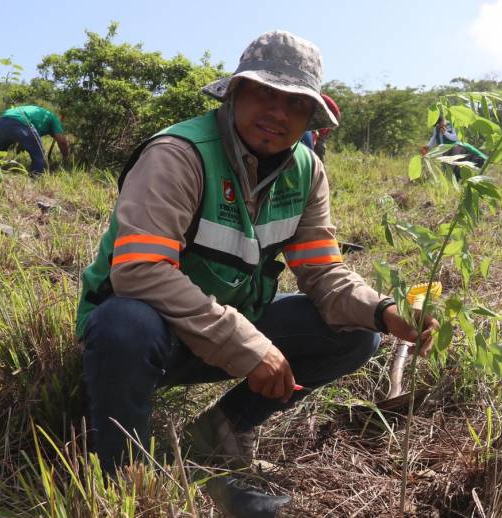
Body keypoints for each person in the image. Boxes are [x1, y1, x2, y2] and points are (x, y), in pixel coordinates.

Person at [74, 30, 438, 512]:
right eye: (266, 93)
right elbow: (140, 272)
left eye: (296, 104)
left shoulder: (306, 172)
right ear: (235, 93)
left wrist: (383, 310)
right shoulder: (179, 155)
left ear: (311, 117)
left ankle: (216, 434)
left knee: (356, 334)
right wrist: (249, 346)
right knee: (124, 324)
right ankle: (127, 477)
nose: (278, 113)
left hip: (226, 324)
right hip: (148, 339)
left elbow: (323, 273)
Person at [0, 105, 69, 176]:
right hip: (20, 119)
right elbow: (62, 141)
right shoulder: (54, 119)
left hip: (4, 119)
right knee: (39, 155)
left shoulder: (42, 119)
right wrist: (66, 157)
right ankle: (36, 177)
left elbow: (26, 137)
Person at [421, 116, 487, 179]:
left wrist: (445, 133)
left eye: (439, 124)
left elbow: (456, 138)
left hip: (454, 147)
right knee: (446, 170)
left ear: (442, 120)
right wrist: (427, 146)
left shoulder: (451, 124)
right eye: (437, 125)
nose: (438, 126)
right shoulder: (436, 128)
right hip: (443, 150)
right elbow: (434, 138)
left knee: (455, 167)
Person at [312, 93, 340, 161]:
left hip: (323, 127)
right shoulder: (312, 98)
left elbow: (337, 116)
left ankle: (320, 164)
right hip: (316, 127)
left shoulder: (320, 98)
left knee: (320, 147)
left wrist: (325, 134)